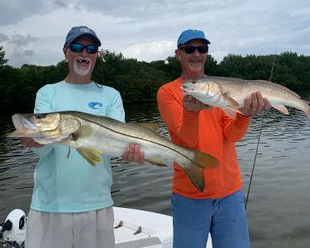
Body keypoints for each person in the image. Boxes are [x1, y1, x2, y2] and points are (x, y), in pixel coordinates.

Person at [21, 25, 144, 248]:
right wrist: (36, 141)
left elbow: (119, 145)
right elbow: (45, 148)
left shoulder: (110, 95)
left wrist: (131, 152)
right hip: (50, 205)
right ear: (65, 51)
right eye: (77, 47)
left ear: (97, 55)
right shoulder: (48, 92)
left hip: (97, 203)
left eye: (91, 48)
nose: (84, 53)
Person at [157, 29, 271, 248]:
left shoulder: (220, 90)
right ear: (178, 53)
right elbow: (187, 142)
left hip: (230, 193)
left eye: (202, 49)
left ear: (207, 53)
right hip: (190, 194)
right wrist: (191, 112)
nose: (197, 54)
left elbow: (232, 135)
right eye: (190, 49)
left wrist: (245, 114)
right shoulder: (168, 92)